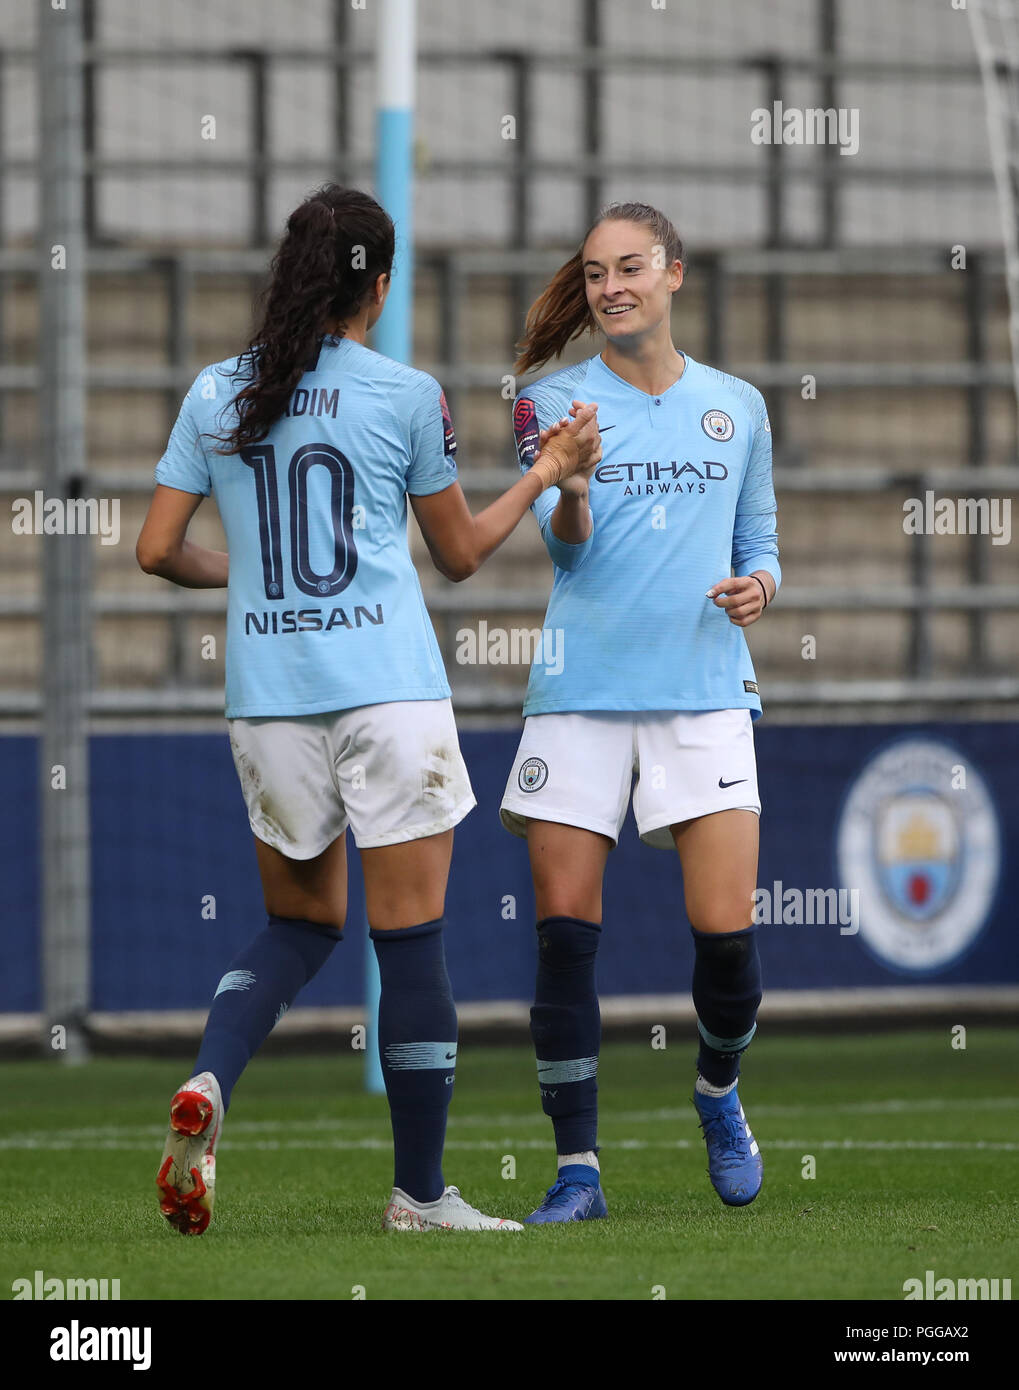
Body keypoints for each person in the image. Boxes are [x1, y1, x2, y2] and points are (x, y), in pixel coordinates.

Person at [136, 182, 600, 1235]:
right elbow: (461, 555)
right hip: (387, 693)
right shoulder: (404, 393)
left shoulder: (216, 392)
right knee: (411, 942)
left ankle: (210, 1082)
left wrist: (255, 574)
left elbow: (155, 551)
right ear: (377, 287)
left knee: (297, 922)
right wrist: (547, 472)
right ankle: (420, 1194)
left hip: (269, 698)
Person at [498, 201, 780, 1222]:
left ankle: (715, 1091)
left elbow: (759, 541)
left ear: (670, 274)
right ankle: (578, 1170)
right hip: (579, 694)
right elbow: (565, 547)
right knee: (565, 940)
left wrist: (759, 588)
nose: (610, 285)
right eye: (594, 271)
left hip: (702, 693)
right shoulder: (546, 405)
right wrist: (567, 483)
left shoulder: (737, 406)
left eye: (628, 267)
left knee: (727, 947)